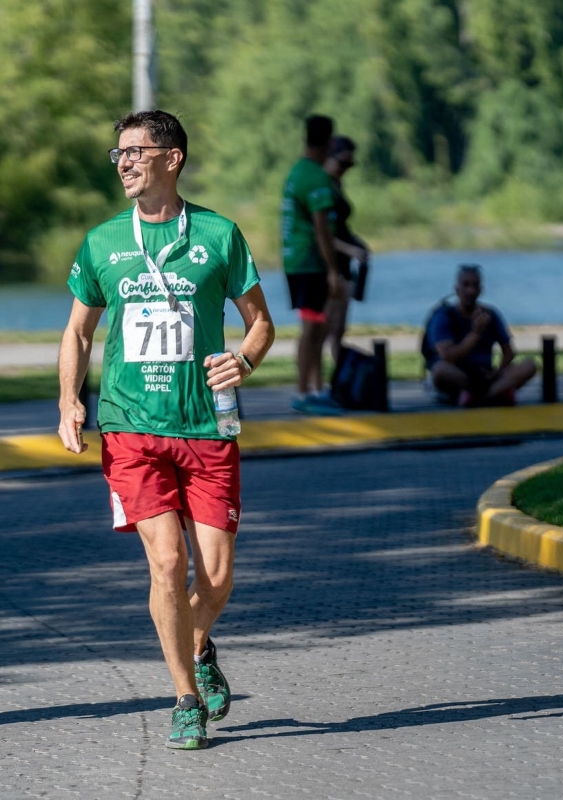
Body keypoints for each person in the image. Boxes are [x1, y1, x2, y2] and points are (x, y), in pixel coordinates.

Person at [58, 110, 274, 750]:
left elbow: (261, 323)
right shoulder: (102, 243)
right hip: (132, 428)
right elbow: (77, 330)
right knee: (166, 562)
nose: (123, 162)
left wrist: (245, 358)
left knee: (216, 576)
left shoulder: (218, 235)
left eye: (135, 151)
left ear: (171, 158)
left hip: (208, 426)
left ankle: (197, 642)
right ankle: (184, 698)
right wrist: (70, 397)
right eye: (117, 154)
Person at [281, 114, 343, 414]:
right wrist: (333, 270)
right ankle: (303, 392)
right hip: (309, 262)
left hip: (296, 259)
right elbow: (322, 230)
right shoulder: (316, 177)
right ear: (329, 141)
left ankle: (316, 388)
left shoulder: (298, 171)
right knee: (311, 327)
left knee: (317, 326)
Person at [425, 264, 536, 406]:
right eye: (466, 285)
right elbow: (447, 356)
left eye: (475, 286)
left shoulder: (490, 314)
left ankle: (478, 397)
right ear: (456, 289)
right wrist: (475, 333)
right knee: (440, 371)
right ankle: (493, 394)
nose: (470, 291)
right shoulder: (444, 316)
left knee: (530, 365)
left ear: (481, 289)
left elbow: (508, 351)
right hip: (460, 375)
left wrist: (497, 372)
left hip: (485, 375)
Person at [322, 136, 370, 364]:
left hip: (345, 264)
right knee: (324, 326)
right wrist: (351, 249)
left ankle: (338, 378)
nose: (345, 170)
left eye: (350, 165)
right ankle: (314, 381)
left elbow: (341, 228)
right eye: (342, 164)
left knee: (339, 327)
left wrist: (358, 245)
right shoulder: (321, 188)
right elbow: (321, 233)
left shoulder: (337, 185)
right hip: (328, 264)